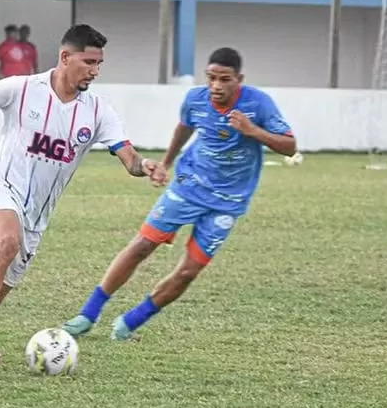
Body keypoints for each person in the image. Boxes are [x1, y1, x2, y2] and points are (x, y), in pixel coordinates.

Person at [0, 24, 166, 365]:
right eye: (89, 62)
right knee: (8, 240)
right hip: (0, 189)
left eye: (99, 64)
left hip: (36, 219)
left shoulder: (98, 111)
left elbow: (129, 158)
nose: (95, 71)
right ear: (65, 57)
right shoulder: (21, 88)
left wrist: (145, 165)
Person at [62, 47, 297, 341]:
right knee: (141, 246)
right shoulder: (195, 100)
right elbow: (184, 128)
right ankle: (88, 314)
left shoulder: (258, 104)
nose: (216, 86)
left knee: (188, 272)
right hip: (188, 187)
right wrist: (166, 163)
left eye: (224, 79)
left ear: (239, 79)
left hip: (227, 203)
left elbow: (290, 146)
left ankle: (130, 322)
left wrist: (253, 131)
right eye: (211, 78)